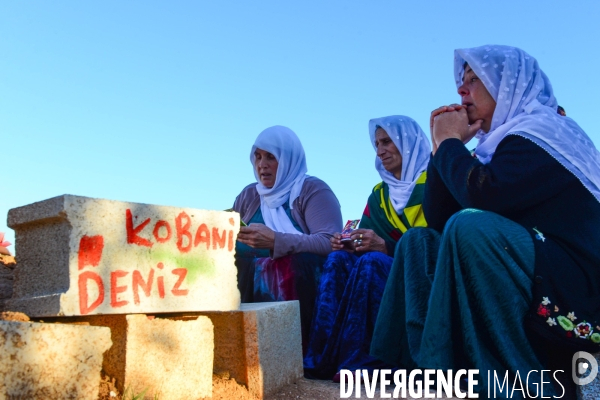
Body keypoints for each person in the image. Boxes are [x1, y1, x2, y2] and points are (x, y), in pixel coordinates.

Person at [371, 45, 600, 398]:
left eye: (475, 79)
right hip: (530, 270)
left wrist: (449, 144)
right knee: (418, 242)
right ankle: (424, 372)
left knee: (472, 228)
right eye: (462, 81)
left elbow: (484, 197)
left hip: (573, 288)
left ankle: (520, 385)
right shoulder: (492, 149)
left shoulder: (548, 133)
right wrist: (441, 148)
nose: (462, 90)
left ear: (510, 85)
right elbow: (437, 220)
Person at [303, 116, 430, 380]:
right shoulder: (380, 194)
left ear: (408, 143)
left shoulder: (435, 181)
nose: (380, 150)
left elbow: (436, 243)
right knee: (338, 258)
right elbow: (368, 240)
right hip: (384, 269)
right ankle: (324, 357)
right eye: (376, 144)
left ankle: (371, 360)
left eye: (387, 142)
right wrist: (350, 244)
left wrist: (386, 247)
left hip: (424, 276)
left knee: (373, 262)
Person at [232, 125, 343, 350]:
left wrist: (276, 241)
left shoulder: (313, 190)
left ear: (288, 159)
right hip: (248, 277)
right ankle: (234, 342)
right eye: (258, 156)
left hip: (302, 279)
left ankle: (288, 348)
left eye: (271, 157)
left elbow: (329, 241)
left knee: (289, 263)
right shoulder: (249, 195)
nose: (262, 164)